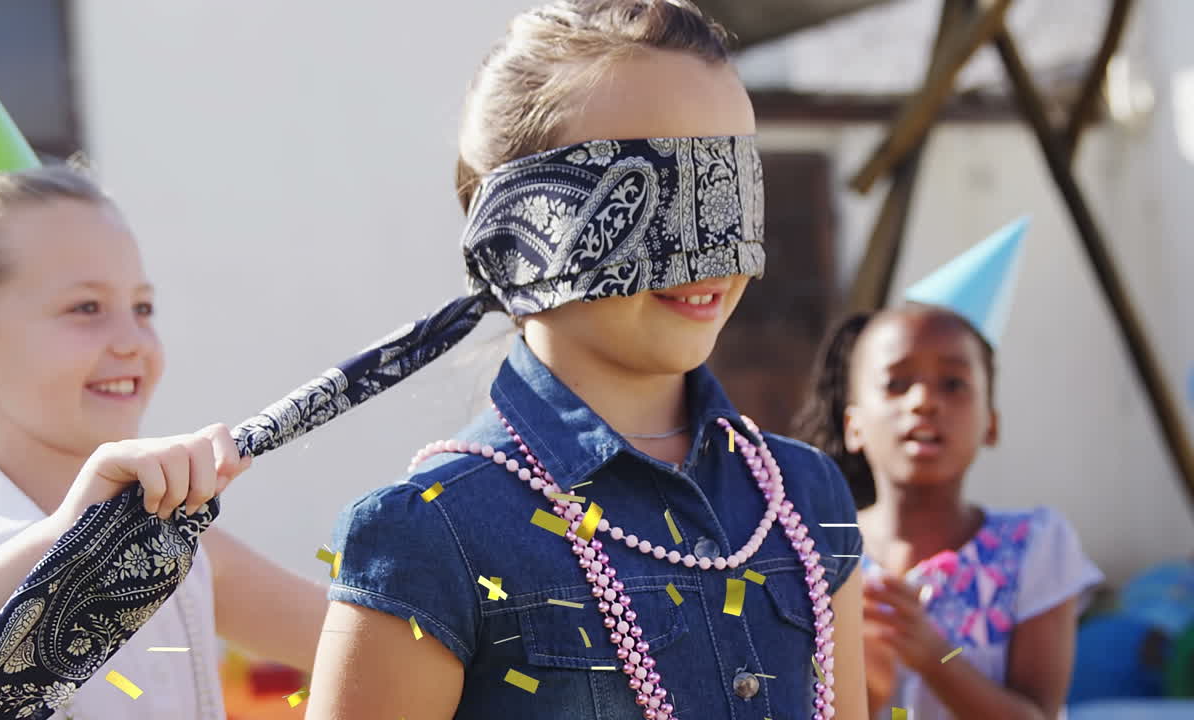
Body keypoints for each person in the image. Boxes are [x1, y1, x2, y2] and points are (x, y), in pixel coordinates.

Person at [301, 1, 869, 718]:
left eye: (730, 183)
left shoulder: (807, 500)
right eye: (653, 187)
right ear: (521, 224)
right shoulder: (427, 535)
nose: (707, 243)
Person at [0, 11, 325, 719]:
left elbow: (363, 642)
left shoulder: (184, 548)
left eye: (142, 307)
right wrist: (65, 537)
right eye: (85, 309)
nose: (133, 339)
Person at [793, 221, 1103, 719]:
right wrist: (866, 685)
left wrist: (934, 656)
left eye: (954, 384)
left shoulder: (1034, 549)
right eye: (896, 383)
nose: (924, 402)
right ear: (853, 425)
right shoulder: (813, 552)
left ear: (991, 424)